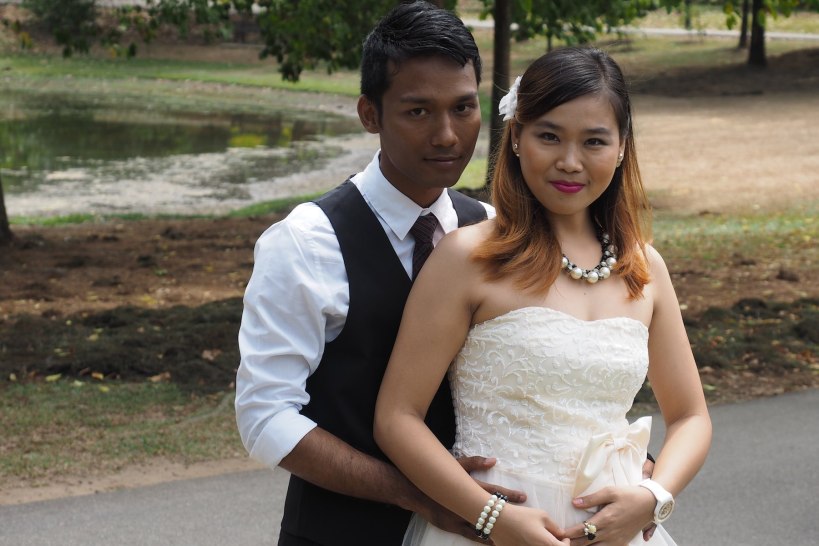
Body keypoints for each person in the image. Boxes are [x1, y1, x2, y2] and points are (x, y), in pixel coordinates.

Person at [374, 46, 712, 546]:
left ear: (621, 148)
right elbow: (397, 418)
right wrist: (493, 518)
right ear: (516, 137)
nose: (569, 162)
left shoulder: (644, 269)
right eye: (549, 136)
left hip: (618, 533)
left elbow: (690, 417)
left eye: (594, 141)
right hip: (496, 529)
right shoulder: (466, 258)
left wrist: (653, 496)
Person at [234, 2, 524, 545]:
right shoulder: (306, 242)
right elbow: (265, 415)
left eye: (463, 108)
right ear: (370, 114)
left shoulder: (492, 230)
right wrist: (414, 492)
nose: (447, 135)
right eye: (419, 111)